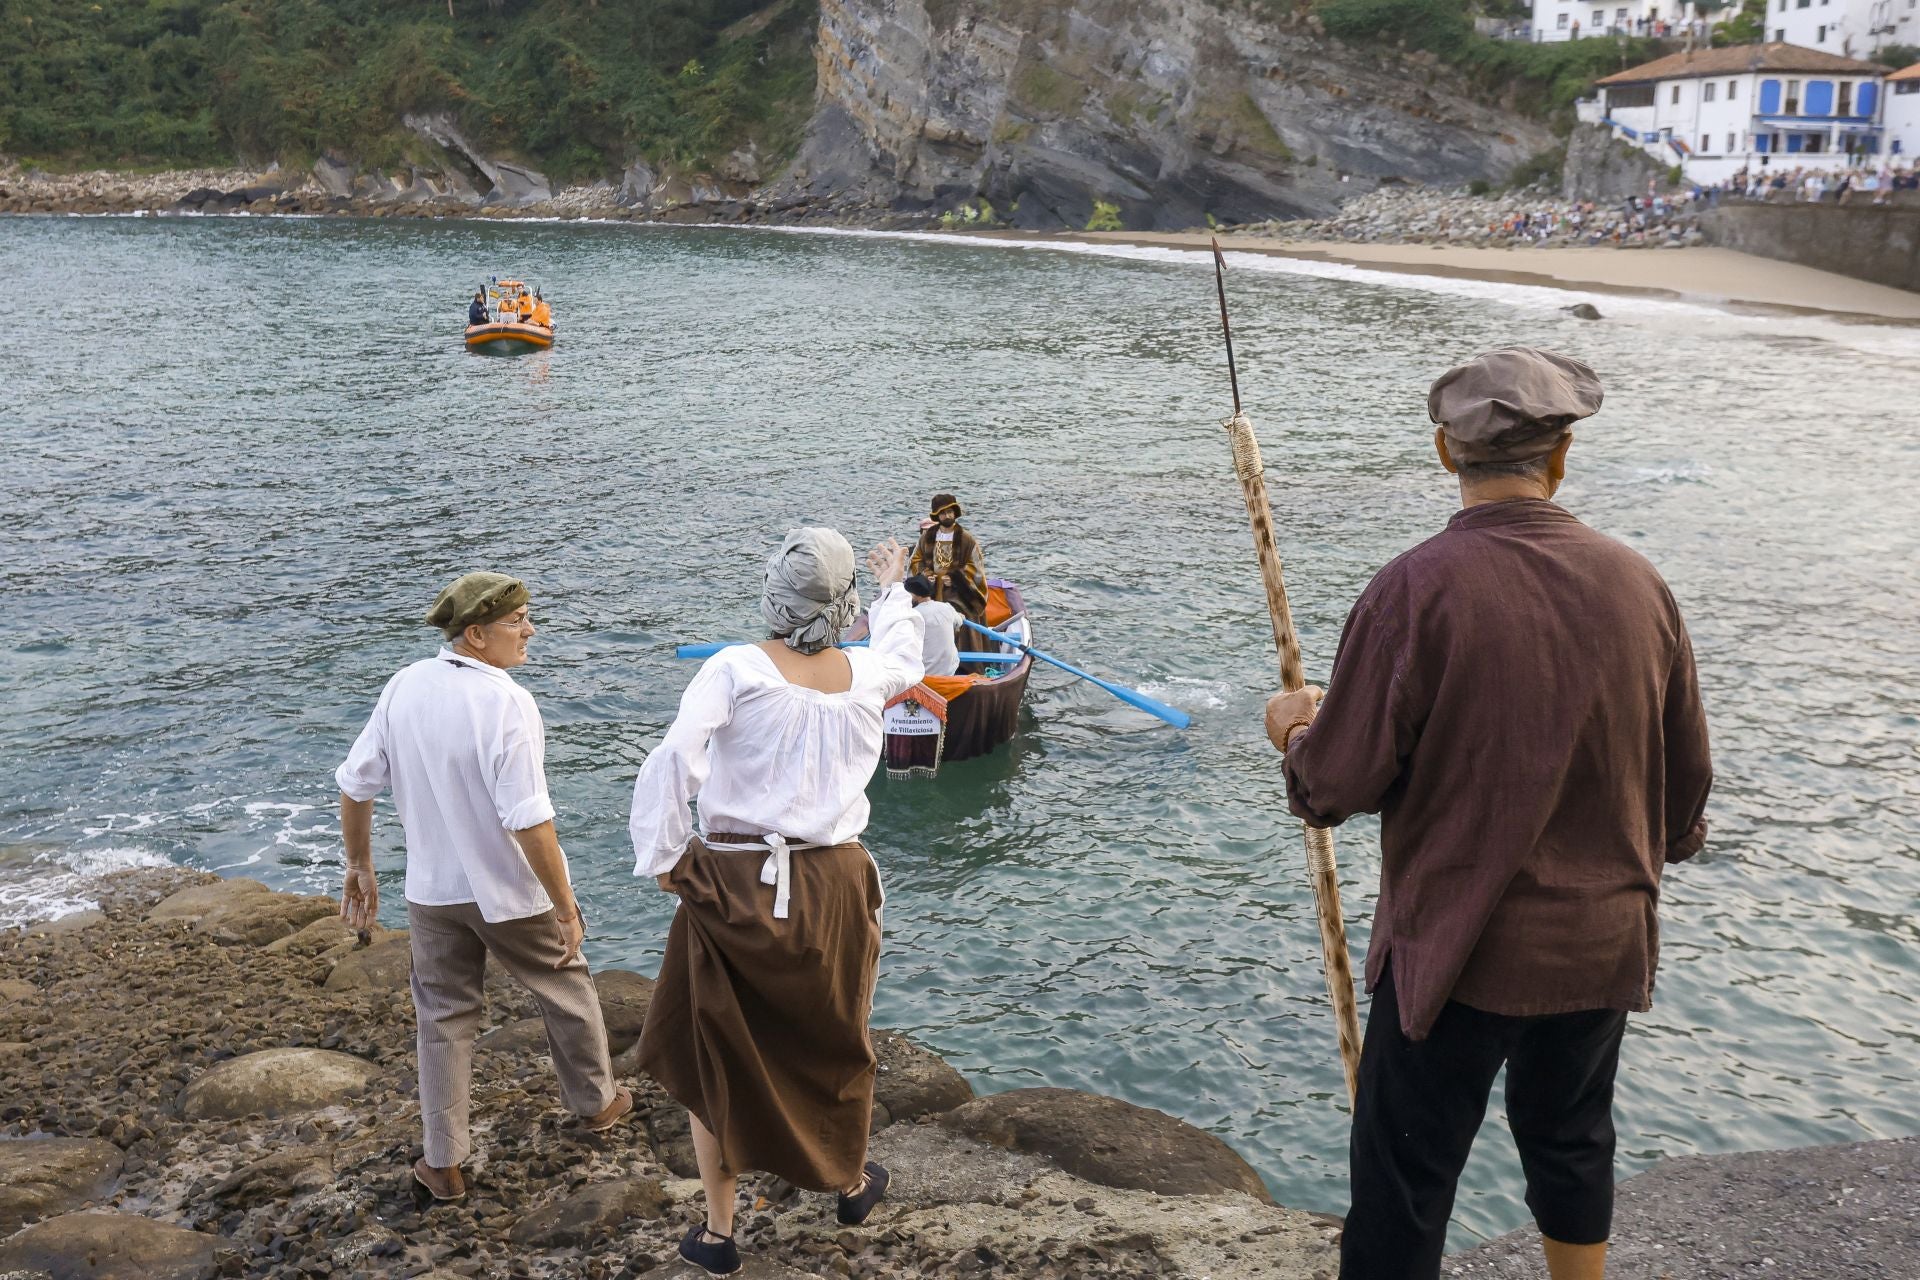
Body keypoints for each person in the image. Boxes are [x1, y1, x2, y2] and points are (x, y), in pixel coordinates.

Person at [1264, 348, 1713, 1280]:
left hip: (1455, 950)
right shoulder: (1640, 585)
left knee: (1404, 1178)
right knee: (1572, 1138)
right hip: (1600, 941)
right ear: (1562, 457)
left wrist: (1296, 731)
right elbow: (1684, 790)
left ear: (1445, 452)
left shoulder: (1413, 589)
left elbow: (1332, 788)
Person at [629, 530, 925, 1276]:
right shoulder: (867, 672)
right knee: (832, 1039)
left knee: (715, 1054)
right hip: (837, 885)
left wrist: (665, 857)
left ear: (772, 597)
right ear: (845, 605)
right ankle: (849, 1183)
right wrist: (893, 589)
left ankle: (720, 1233)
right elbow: (907, 654)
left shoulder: (735, 668)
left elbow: (674, 759)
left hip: (736, 883)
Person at [337, 572, 632, 1205]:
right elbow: (529, 818)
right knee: (566, 987)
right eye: (517, 622)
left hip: (432, 891)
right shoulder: (506, 702)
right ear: (475, 634)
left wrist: (359, 864)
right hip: (508, 890)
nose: (530, 631)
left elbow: (356, 782)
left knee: (443, 1016)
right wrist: (565, 904)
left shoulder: (405, 684)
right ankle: (597, 1105)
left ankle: (443, 1163)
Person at [908, 493, 988, 632]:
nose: (947, 516)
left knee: (962, 625)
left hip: (959, 595)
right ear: (936, 515)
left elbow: (976, 567)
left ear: (955, 513)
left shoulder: (967, 539)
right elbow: (916, 560)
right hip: (931, 593)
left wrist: (956, 578)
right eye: (943, 513)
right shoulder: (926, 537)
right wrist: (925, 575)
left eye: (950, 512)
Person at [903, 573, 962, 677]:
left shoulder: (913, 614)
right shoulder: (947, 607)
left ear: (914, 595)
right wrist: (959, 615)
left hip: (925, 672)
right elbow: (959, 621)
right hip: (950, 670)